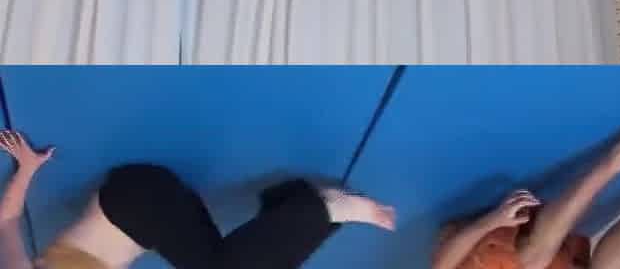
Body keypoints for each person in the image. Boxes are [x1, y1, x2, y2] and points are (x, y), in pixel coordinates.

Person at [0, 130, 396, 269]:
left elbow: (5, 221)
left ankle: (321, 208)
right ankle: (307, 205)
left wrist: (28, 167)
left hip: (135, 200)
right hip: (161, 222)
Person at [432, 123, 620, 269]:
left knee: (533, 261)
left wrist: (492, 221)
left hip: (484, 249)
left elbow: (442, 265)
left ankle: (619, 157)